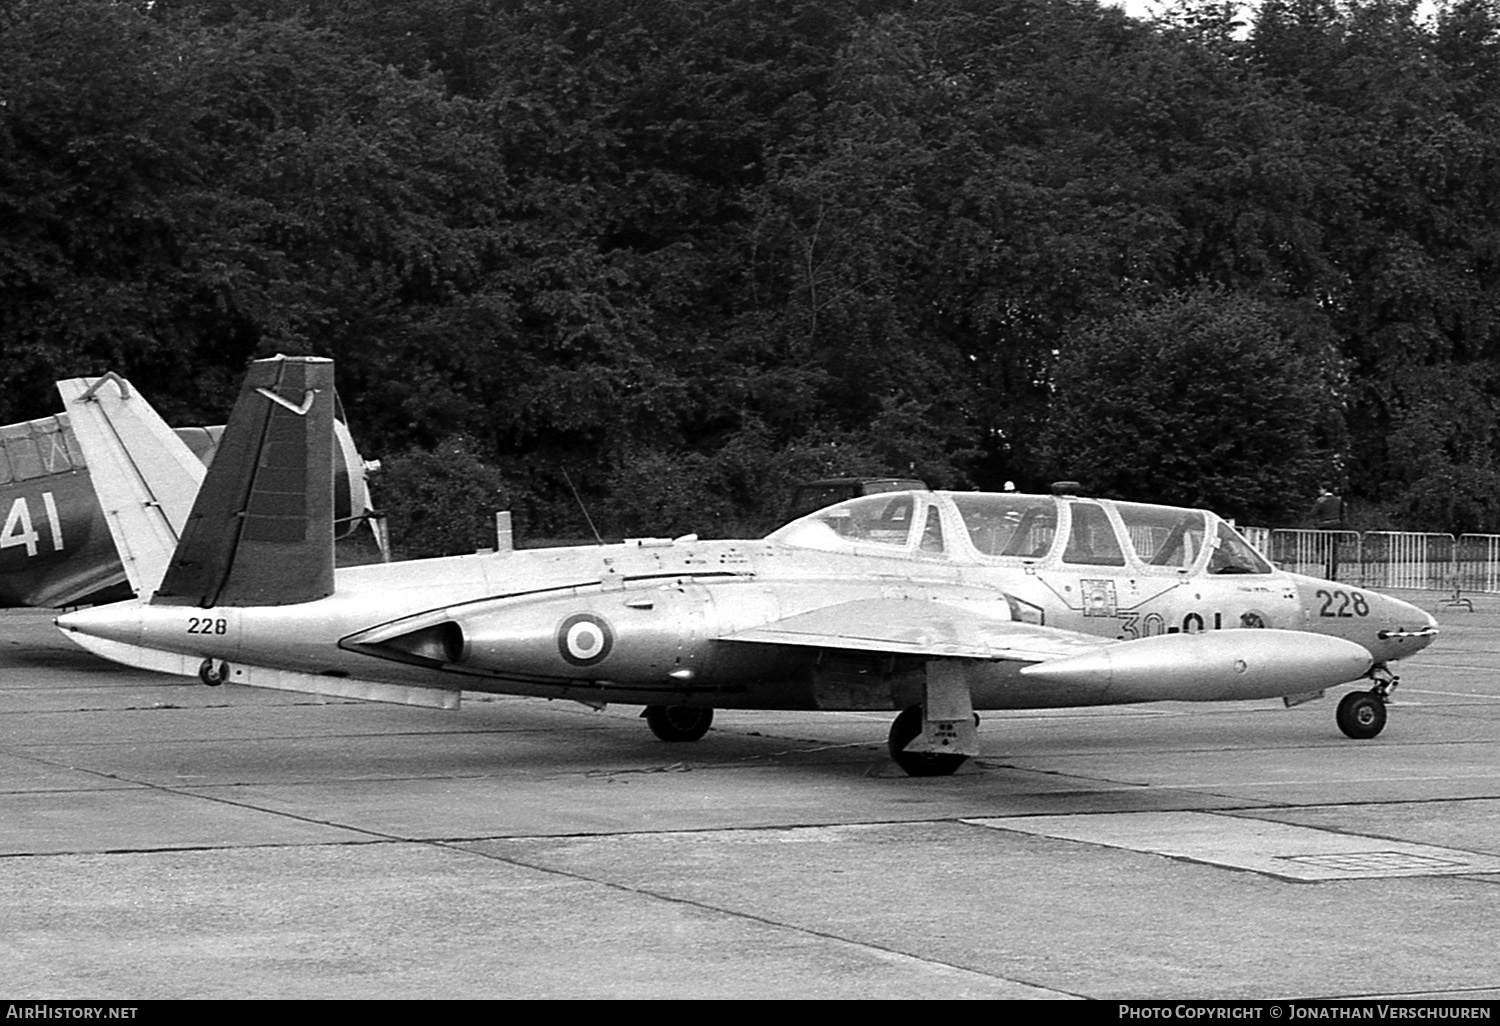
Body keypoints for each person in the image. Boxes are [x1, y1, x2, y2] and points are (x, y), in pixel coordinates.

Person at [1310, 485, 1344, 579]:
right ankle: (1332, 572)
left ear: (1324, 489)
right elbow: (1342, 514)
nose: (1319, 490)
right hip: (1336, 526)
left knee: (1319, 546)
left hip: (1324, 527)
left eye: (1320, 489)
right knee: (1334, 551)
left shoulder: (1321, 500)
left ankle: (1323, 560)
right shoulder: (1338, 500)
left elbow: (1313, 513)